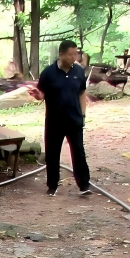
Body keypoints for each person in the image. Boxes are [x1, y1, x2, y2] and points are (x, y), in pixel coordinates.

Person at [32, 39, 91, 196]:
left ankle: (84, 185)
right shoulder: (48, 73)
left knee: (78, 151)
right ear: (61, 54)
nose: (74, 57)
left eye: (76, 54)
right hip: (54, 121)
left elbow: (82, 92)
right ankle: (52, 186)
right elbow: (42, 94)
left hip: (74, 120)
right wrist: (38, 96)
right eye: (71, 54)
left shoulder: (78, 72)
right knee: (52, 154)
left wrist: (83, 113)